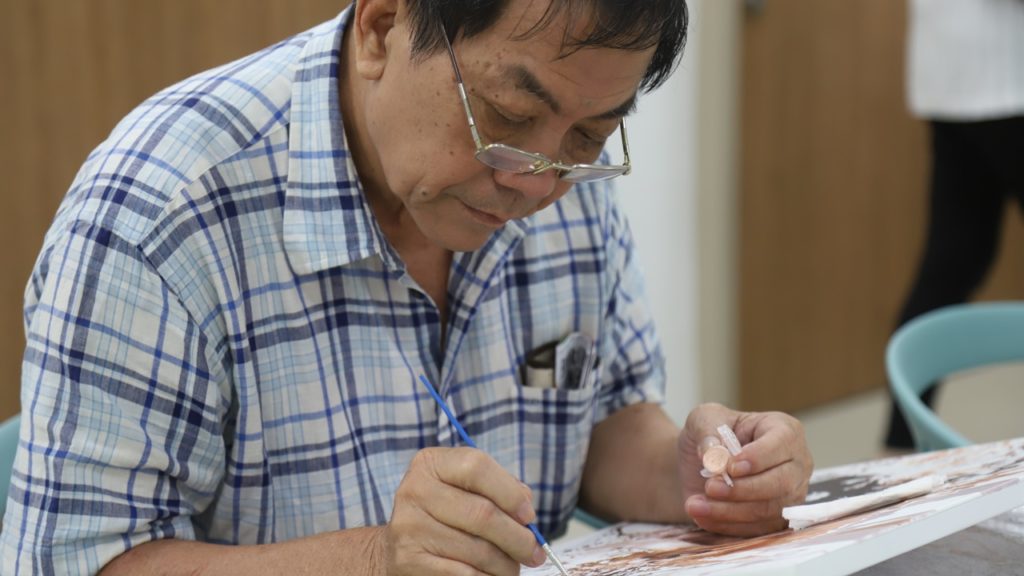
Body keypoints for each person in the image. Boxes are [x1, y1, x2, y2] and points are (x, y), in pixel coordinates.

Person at [1, 1, 813, 574]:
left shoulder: (563, 170)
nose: (537, 184)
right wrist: (376, 560)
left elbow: (601, 420)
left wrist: (698, 479)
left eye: (590, 136)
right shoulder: (159, 216)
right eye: (505, 117)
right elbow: (78, 563)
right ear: (383, 28)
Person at [886, 0, 1024, 449]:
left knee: (950, 267)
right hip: (1004, 81)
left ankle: (900, 449)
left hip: (954, 79)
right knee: (950, 267)